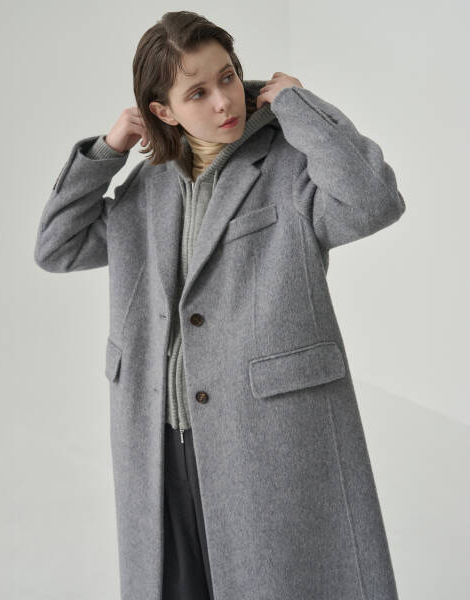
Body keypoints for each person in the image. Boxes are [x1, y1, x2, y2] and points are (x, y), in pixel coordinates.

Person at [35, 10, 405, 600]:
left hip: (264, 435)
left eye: (228, 77)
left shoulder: (290, 163)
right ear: (163, 112)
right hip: (159, 438)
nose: (223, 101)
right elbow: (58, 246)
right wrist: (106, 152)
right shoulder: (147, 185)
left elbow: (373, 201)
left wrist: (298, 106)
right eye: (197, 92)